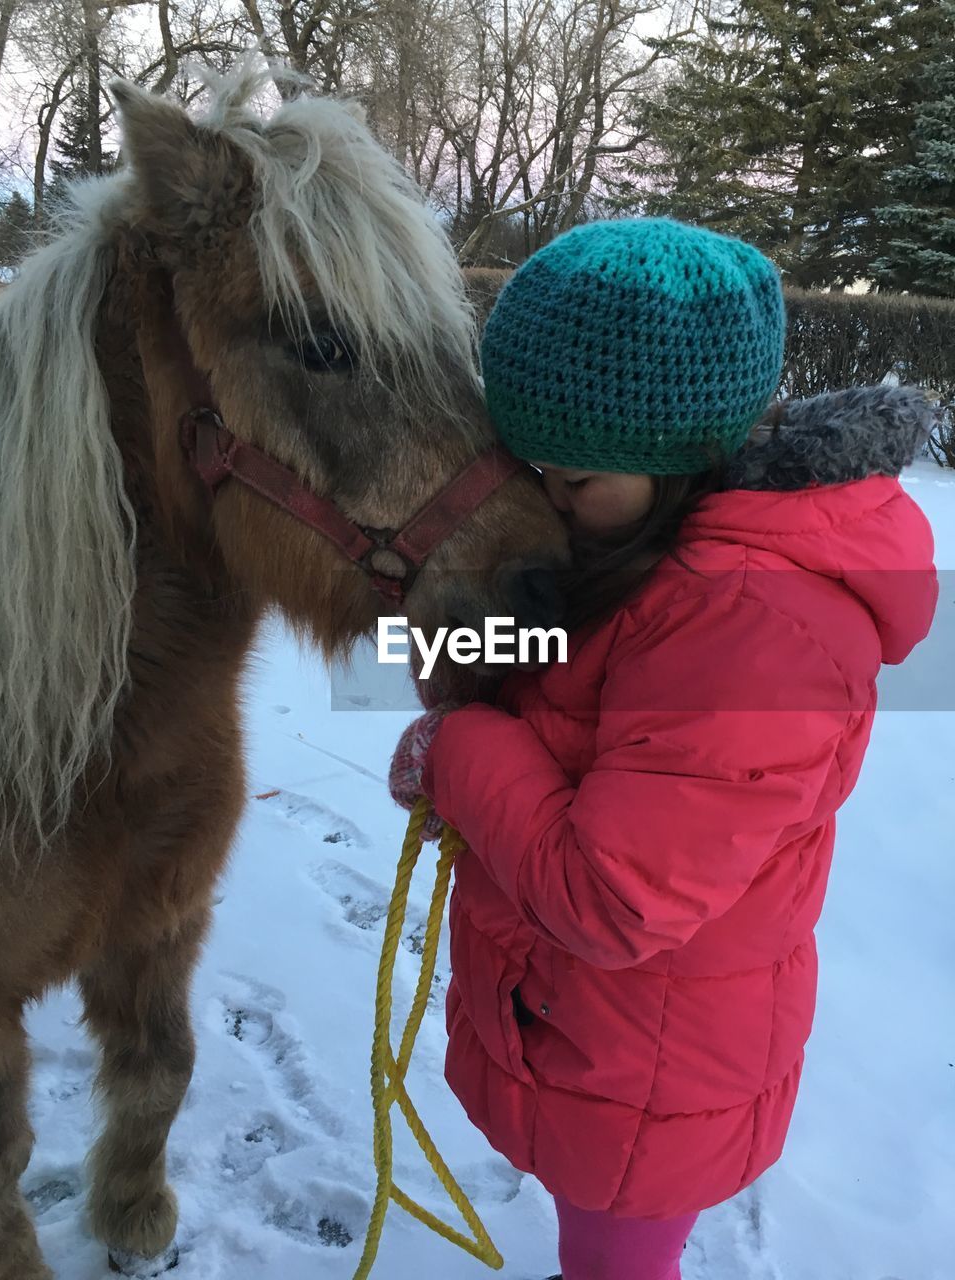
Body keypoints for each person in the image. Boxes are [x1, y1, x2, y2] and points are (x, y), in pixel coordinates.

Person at [388, 219, 938, 1280]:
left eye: (569, 475)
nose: (546, 498)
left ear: (682, 453)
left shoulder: (753, 626)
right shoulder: (648, 551)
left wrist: (456, 745)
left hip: (654, 1061)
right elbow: (579, 675)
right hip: (599, 1033)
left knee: (621, 1251)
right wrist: (450, 639)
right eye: (527, 467)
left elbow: (611, 895)